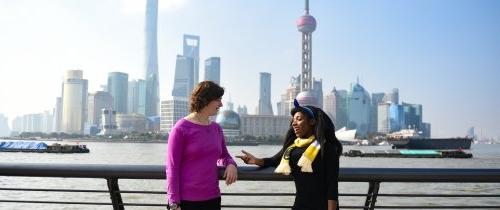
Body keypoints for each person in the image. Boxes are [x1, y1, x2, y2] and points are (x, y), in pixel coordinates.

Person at [237, 99, 342, 210]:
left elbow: (332, 186)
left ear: (312, 121)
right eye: (293, 120)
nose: (294, 123)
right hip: (300, 206)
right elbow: (274, 160)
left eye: (299, 119)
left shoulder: (326, 148)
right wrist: (256, 161)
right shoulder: (292, 147)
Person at [166, 81, 238, 210]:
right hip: (186, 201)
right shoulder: (180, 129)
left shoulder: (216, 129)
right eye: (218, 100)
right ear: (205, 100)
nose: (221, 104)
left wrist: (231, 163)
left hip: (213, 199)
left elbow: (224, 155)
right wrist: (173, 202)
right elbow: (172, 168)